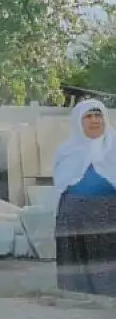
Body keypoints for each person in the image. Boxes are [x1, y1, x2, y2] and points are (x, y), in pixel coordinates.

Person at [53, 99, 116, 296]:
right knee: (74, 259)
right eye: (88, 116)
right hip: (72, 213)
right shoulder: (66, 150)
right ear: (78, 122)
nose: (94, 120)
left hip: (108, 212)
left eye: (98, 115)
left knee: (105, 260)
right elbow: (61, 185)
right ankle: (77, 300)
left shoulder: (114, 145)